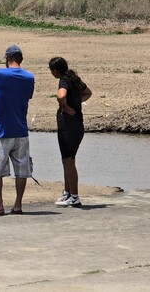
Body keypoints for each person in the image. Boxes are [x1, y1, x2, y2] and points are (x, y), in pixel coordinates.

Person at [0, 45, 35, 215]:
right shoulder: (29, 77)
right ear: (21, 59)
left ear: (7, 59)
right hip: (21, 130)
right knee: (22, 169)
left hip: (1, 130)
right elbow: (27, 96)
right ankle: (18, 204)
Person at [49, 57, 93, 208]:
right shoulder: (74, 79)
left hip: (68, 126)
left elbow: (61, 95)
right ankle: (67, 193)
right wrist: (75, 101)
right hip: (77, 126)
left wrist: (66, 107)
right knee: (67, 160)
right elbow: (88, 93)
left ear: (55, 71)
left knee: (68, 160)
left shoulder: (64, 81)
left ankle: (74, 196)